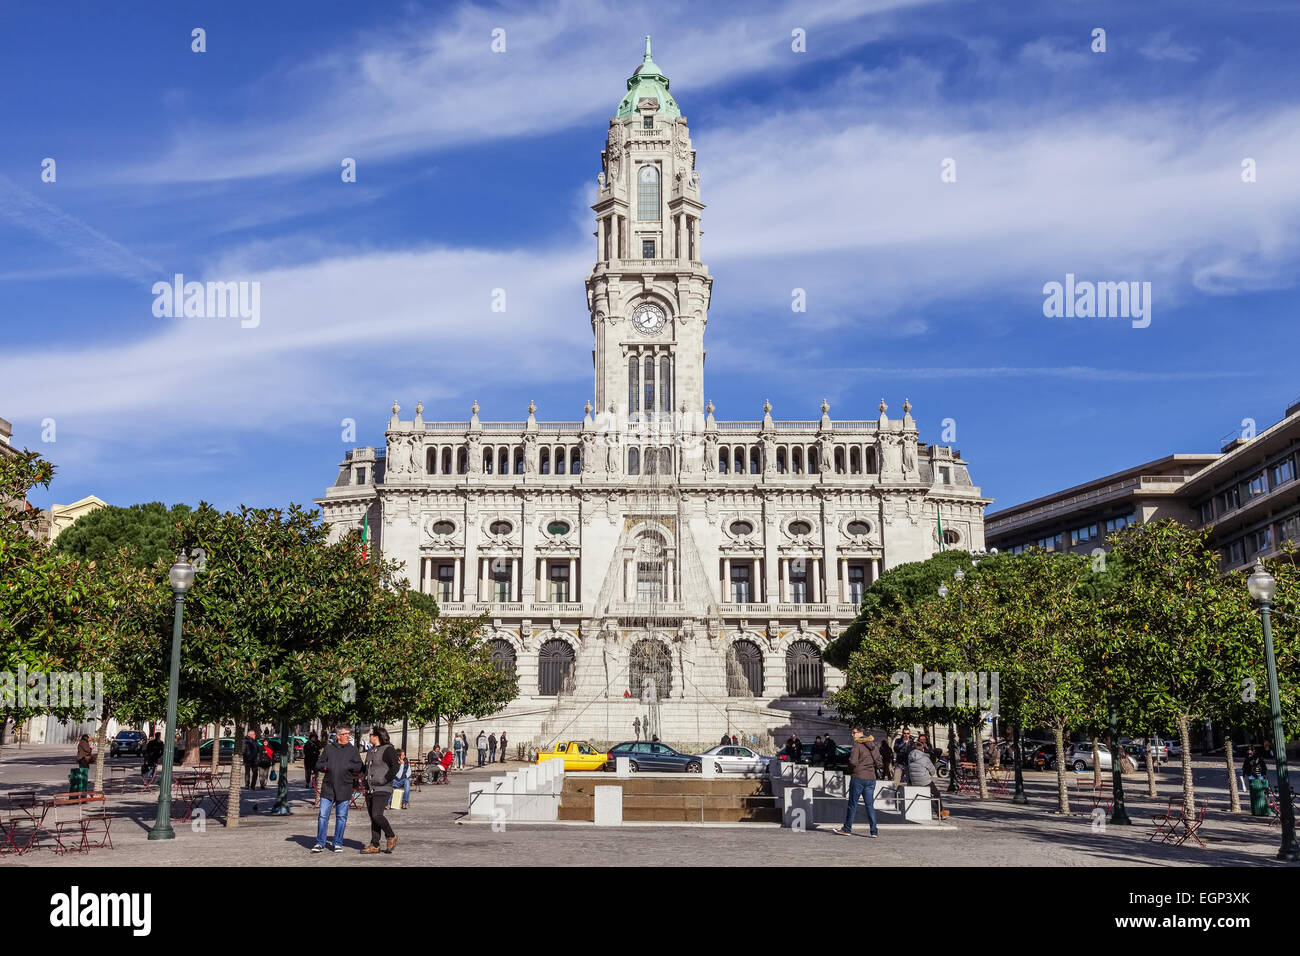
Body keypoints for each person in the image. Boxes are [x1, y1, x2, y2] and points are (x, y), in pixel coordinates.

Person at [313, 726, 363, 853]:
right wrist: (327, 766)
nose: (348, 736)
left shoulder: (353, 750)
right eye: (345, 734)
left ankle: (337, 843)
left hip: (344, 787)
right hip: (328, 787)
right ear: (338, 736)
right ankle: (320, 843)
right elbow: (318, 764)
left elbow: (359, 766)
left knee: (341, 817)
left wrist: (348, 766)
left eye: (348, 734)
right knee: (323, 816)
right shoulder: (329, 749)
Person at [835, 727, 882, 837]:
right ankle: (874, 831)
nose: (852, 735)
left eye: (854, 733)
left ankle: (847, 828)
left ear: (861, 733)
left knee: (853, 804)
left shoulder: (858, 744)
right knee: (869, 805)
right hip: (871, 778)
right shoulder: (873, 745)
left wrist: (851, 770)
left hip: (858, 777)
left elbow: (853, 761)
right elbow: (879, 761)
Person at [361, 725, 399, 854]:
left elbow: (395, 767)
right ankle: (375, 844)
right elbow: (367, 769)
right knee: (373, 817)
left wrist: (384, 779)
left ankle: (391, 835)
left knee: (377, 814)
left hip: (383, 788)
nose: (369, 737)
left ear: (376, 736)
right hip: (370, 789)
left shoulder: (388, 749)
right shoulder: (371, 751)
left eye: (371, 735)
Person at [908, 740, 948, 820]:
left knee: (928, 796)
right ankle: (942, 814)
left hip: (914, 782)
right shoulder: (925, 758)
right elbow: (933, 771)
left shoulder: (910, 756)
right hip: (924, 781)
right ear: (922, 748)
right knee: (936, 795)